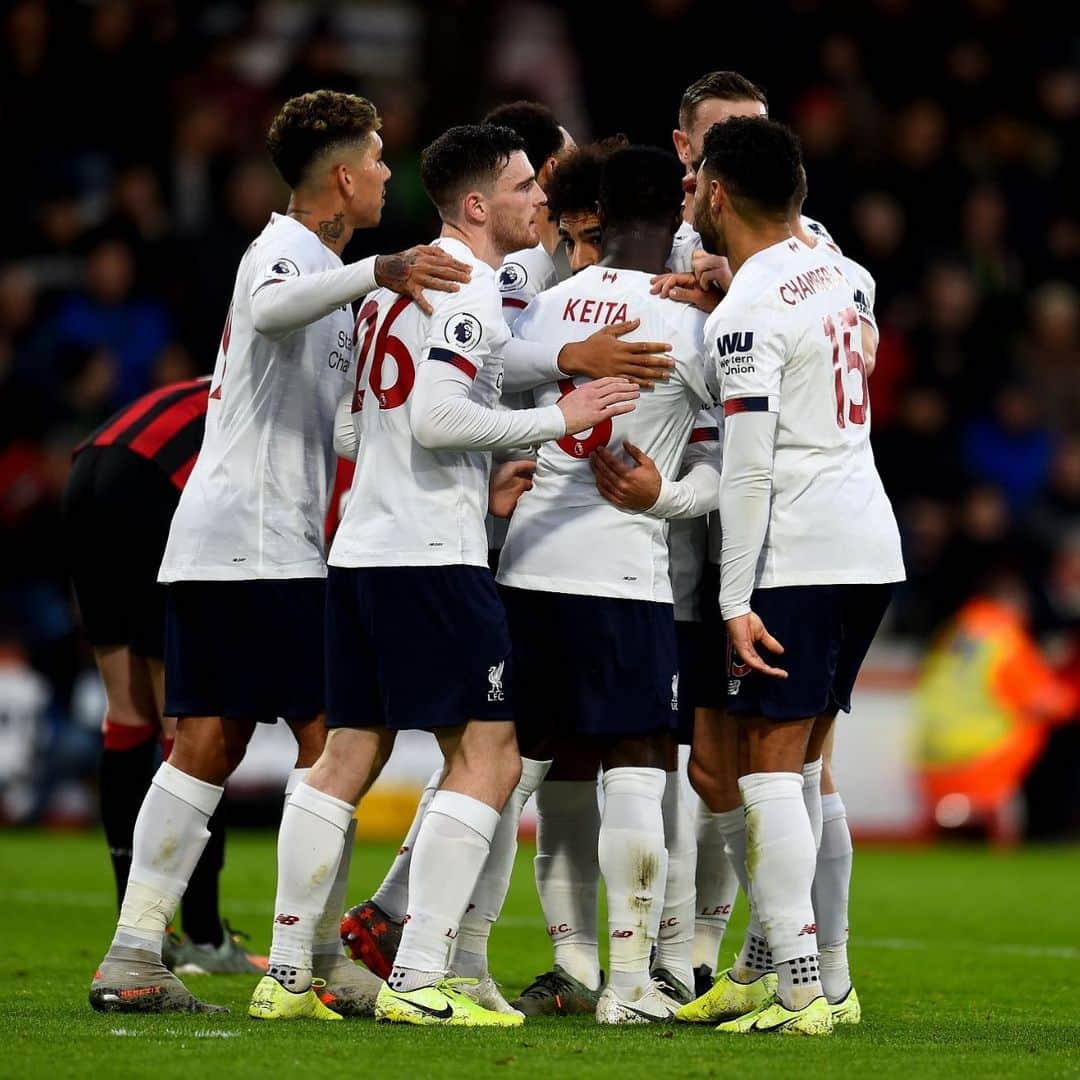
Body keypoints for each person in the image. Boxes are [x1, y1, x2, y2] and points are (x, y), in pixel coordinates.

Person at [89, 89, 470, 1015]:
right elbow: (265, 313)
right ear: (342, 176)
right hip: (260, 546)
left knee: (214, 746)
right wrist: (378, 271)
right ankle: (312, 960)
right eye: (377, 160)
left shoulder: (323, 271)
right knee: (336, 740)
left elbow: (331, 427)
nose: (388, 173)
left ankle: (135, 954)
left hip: (241, 542)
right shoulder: (285, 253)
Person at [249, 123, 638, 1027]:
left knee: (348, 754)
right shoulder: (465, 284)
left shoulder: (397, 285)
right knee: (491, 752)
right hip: (431, 558)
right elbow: (435, 419)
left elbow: (367, 427)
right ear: (476, 206)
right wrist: (557, 419)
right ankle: (422, 976)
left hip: (360, 553)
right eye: (520, 186)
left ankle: (289, 975)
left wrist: (478, 461)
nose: (538, 199)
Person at [678, 116, 904, 1036]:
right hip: (871, 544)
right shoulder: (846, 275)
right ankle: (810, 973)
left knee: (768, 768)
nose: (691, 193)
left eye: (700, 183)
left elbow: (750, 467)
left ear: (718, 193)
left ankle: (802, 992)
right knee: (806, 765)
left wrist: (733, 600)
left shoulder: (746, 312)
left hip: (801, 553)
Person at [496, 145, 712, 1024]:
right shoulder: (688, 325)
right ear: (675, 220)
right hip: (624, 578)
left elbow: (485, 395)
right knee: (638, 766)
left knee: (506, 774)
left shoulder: (546, 307)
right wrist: (668, 495)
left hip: (527, 571)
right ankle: (630, 984)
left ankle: (457, 960)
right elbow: (744, 471)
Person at [65, 377, 264, 974]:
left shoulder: (232, 373)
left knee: (126, 716)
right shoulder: (301, 395)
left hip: (88, 469)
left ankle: (152, 929)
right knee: (192, 725)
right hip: (156, 489)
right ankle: (202, 937)